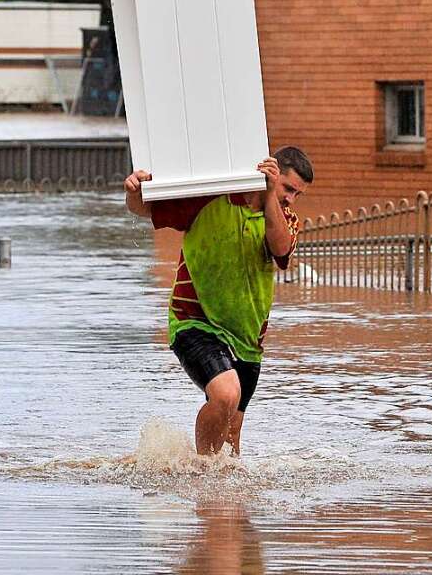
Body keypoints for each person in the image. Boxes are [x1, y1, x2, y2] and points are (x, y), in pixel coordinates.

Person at [124, 146, 314, 456]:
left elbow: (280, 249)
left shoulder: (285, 219)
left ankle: (215, 497)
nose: (292, 199)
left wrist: (269, 198)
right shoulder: (210, 196)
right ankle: (201, 471)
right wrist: (133, 191)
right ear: (271, 172)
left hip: (248, 337)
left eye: (298, 194)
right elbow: (144, 208)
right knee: (226, 395)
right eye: (288, 189)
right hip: (194, 320)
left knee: (232, 440)